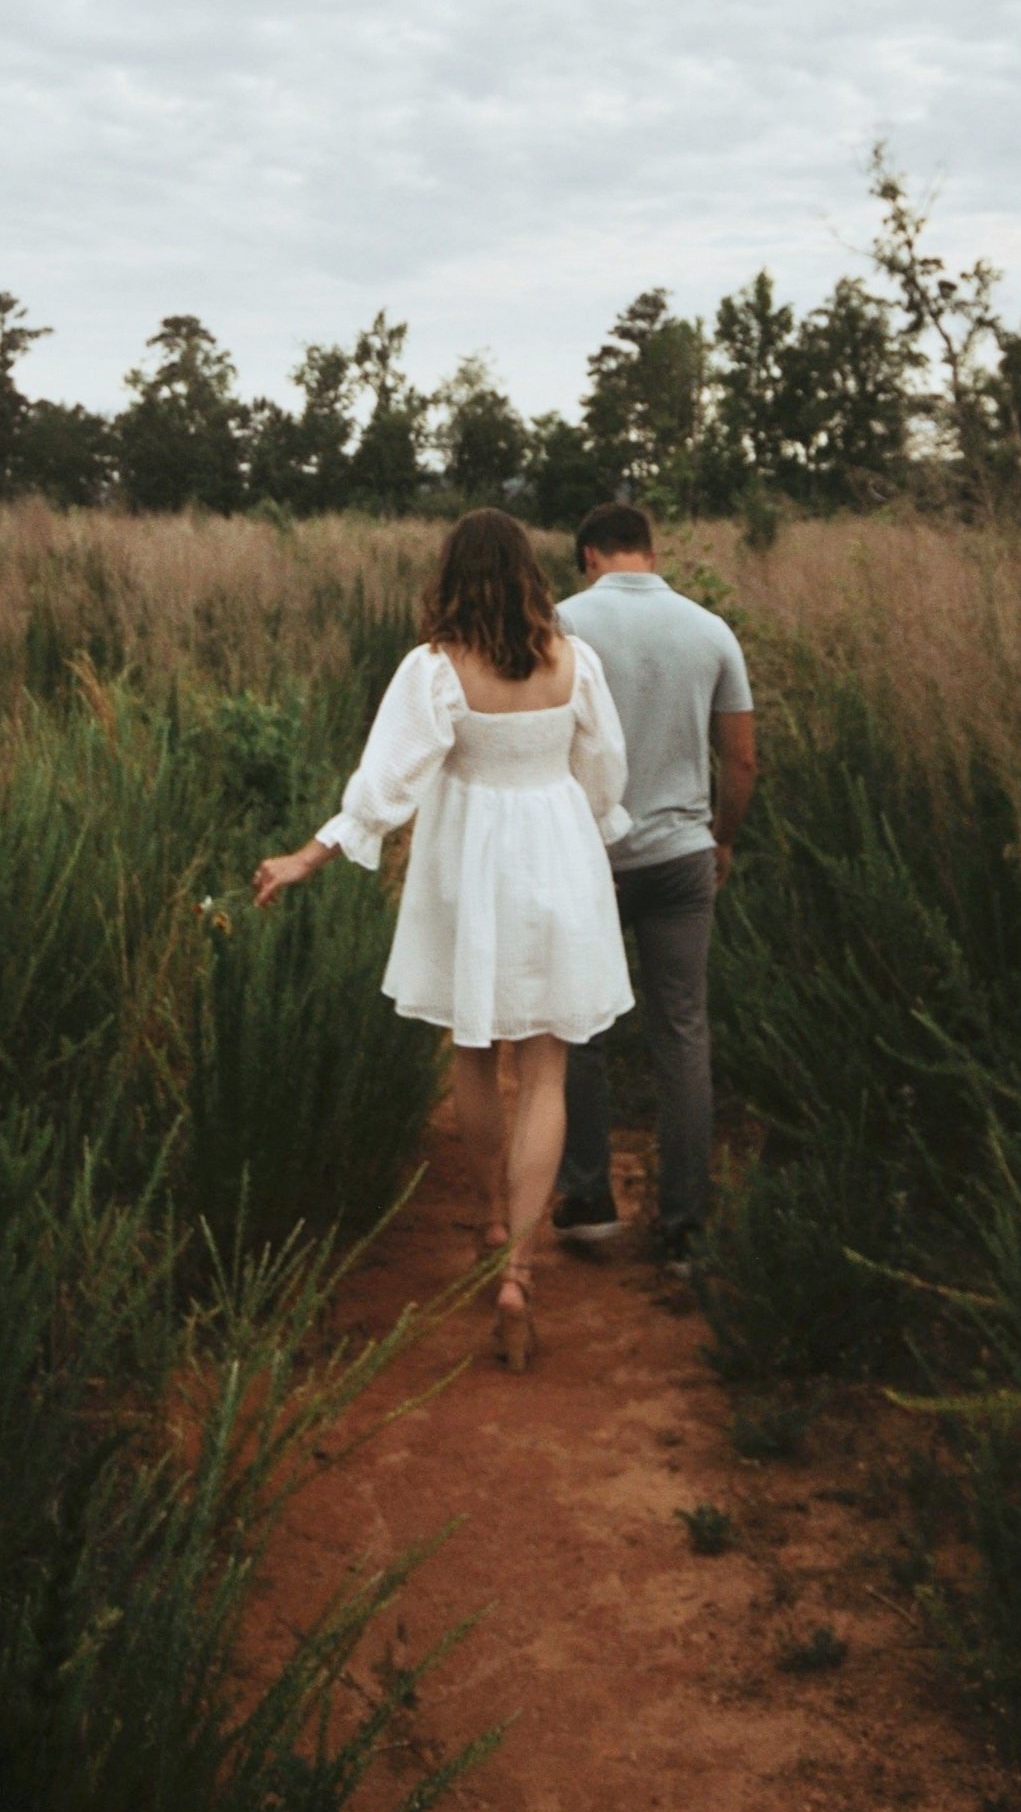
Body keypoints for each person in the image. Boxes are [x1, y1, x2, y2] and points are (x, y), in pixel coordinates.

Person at [252, 509, 634, 1369]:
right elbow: (604, 774)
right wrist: (592, 832)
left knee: (472, 1049)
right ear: (533, 575)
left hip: (470, 863)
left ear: (449, 577)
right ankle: (519, 1269)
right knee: (545, 1065)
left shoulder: (433, 669)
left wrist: (309, 855)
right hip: (558, 853)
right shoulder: (576, 662)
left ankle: (493, 1216)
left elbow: (385, 785)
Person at [554, 502, 757, 1272]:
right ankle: (683, 1227)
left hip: (589, 858)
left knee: (581, 1026)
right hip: (680, 857)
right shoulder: (710, 630)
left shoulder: (559, 623)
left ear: (589, 554)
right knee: (682, 1032)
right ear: (649, 550)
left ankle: (587, 1201)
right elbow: (738, 761)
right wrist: (723, 838)